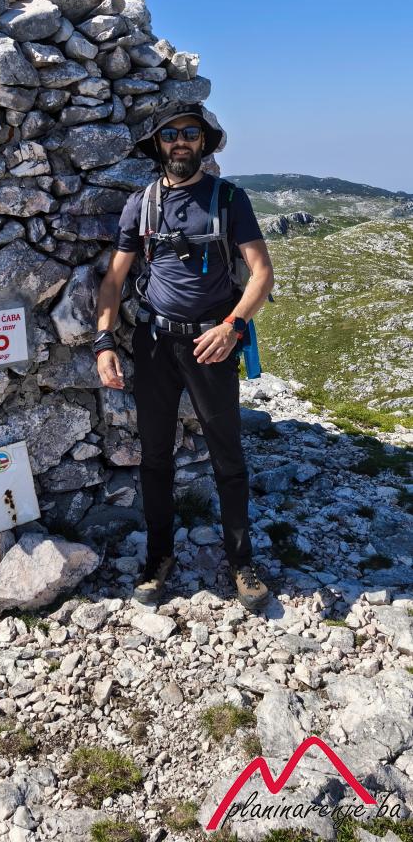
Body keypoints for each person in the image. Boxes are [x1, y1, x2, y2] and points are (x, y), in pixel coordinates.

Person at [93, 102, 275, 611]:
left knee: (227, 454)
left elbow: (262, 273)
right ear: (158, 144)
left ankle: (241, 562)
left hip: (212, 343)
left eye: (190, 133)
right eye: (170, 135)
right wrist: (103, 342)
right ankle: (158, 558)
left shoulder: (229, 199)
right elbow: (113, 281)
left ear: (203, 141)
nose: (180, 142)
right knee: (154, 456)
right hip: (154, 344)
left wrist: (233, 327)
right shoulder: (141, 204)